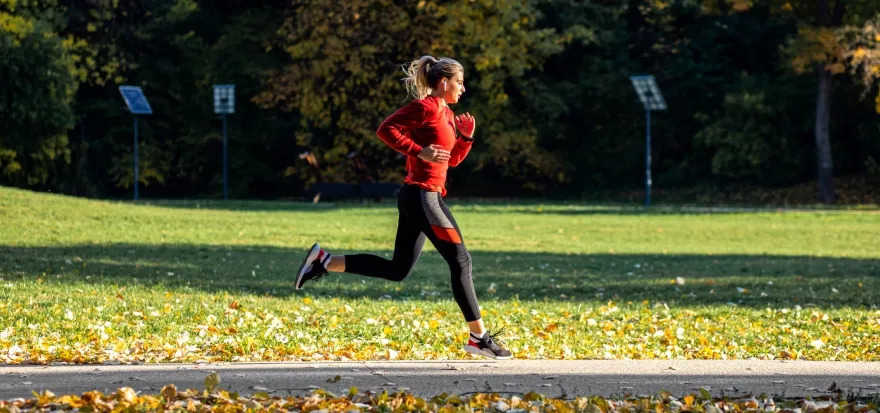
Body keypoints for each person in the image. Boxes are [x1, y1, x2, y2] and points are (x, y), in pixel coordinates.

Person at [294, 55, 512, 360]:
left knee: (398, 269)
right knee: (461, 261)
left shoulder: (448, 114)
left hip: (423, 197)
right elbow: (386, 129)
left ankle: (324, 260)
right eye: (460, 82)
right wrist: (418, 151)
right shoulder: (426, 107)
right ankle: (479, 338)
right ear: (444, 81)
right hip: (423, 197)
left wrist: (465, 138)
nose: (463, 88)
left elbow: (452, 160)